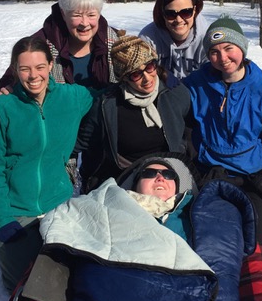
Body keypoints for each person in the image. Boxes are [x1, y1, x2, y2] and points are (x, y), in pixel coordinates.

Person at [3, 153, 257, 301]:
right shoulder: (106, 205)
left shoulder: (196, 214)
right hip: (111, 298)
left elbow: (225, 266)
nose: (160, 177)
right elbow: (63, 230)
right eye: (149, 173)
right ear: (133, 184)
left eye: (169, 175)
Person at [183, 15, 262, 254]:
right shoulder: (195, 85)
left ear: (241, 47)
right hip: (213, 172)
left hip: (254, 173)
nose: (223, 58)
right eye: (214, 52)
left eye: (229, 48)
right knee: (216, 243)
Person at [0, 36, 94, 292]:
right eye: (25, 69)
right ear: (15, 70)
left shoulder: (71, 97)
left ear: (51, 65)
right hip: (17, 210)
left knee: (68, 284)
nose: (33, 76)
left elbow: (106, 96)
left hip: (59, 205)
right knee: (23, 288)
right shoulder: (1, 107)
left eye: (40, 67)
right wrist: (3, 217)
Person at [76, 35, 190, 193]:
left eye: (149, 67)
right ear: (124, 79)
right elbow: (83, 142)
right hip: (127, 175)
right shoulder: (107, 105)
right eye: (136, 74)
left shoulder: (174, 93)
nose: (147, 78)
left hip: (170, 170)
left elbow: (190, 127)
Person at [0, 0, 122, 93]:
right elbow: (13, 77)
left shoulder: (116, 43)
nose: (84, 23)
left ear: (99, 13)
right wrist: (9, 88)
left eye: (91, 15)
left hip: (105, 115)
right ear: (63, 14)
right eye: (77, 15)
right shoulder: (41, 44)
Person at [139, 0, 210, 81]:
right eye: (170, 14)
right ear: (162, 13)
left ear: (194, 10)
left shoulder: (207, 39)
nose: (179, 20)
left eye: (186, 12)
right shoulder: (148, 38)